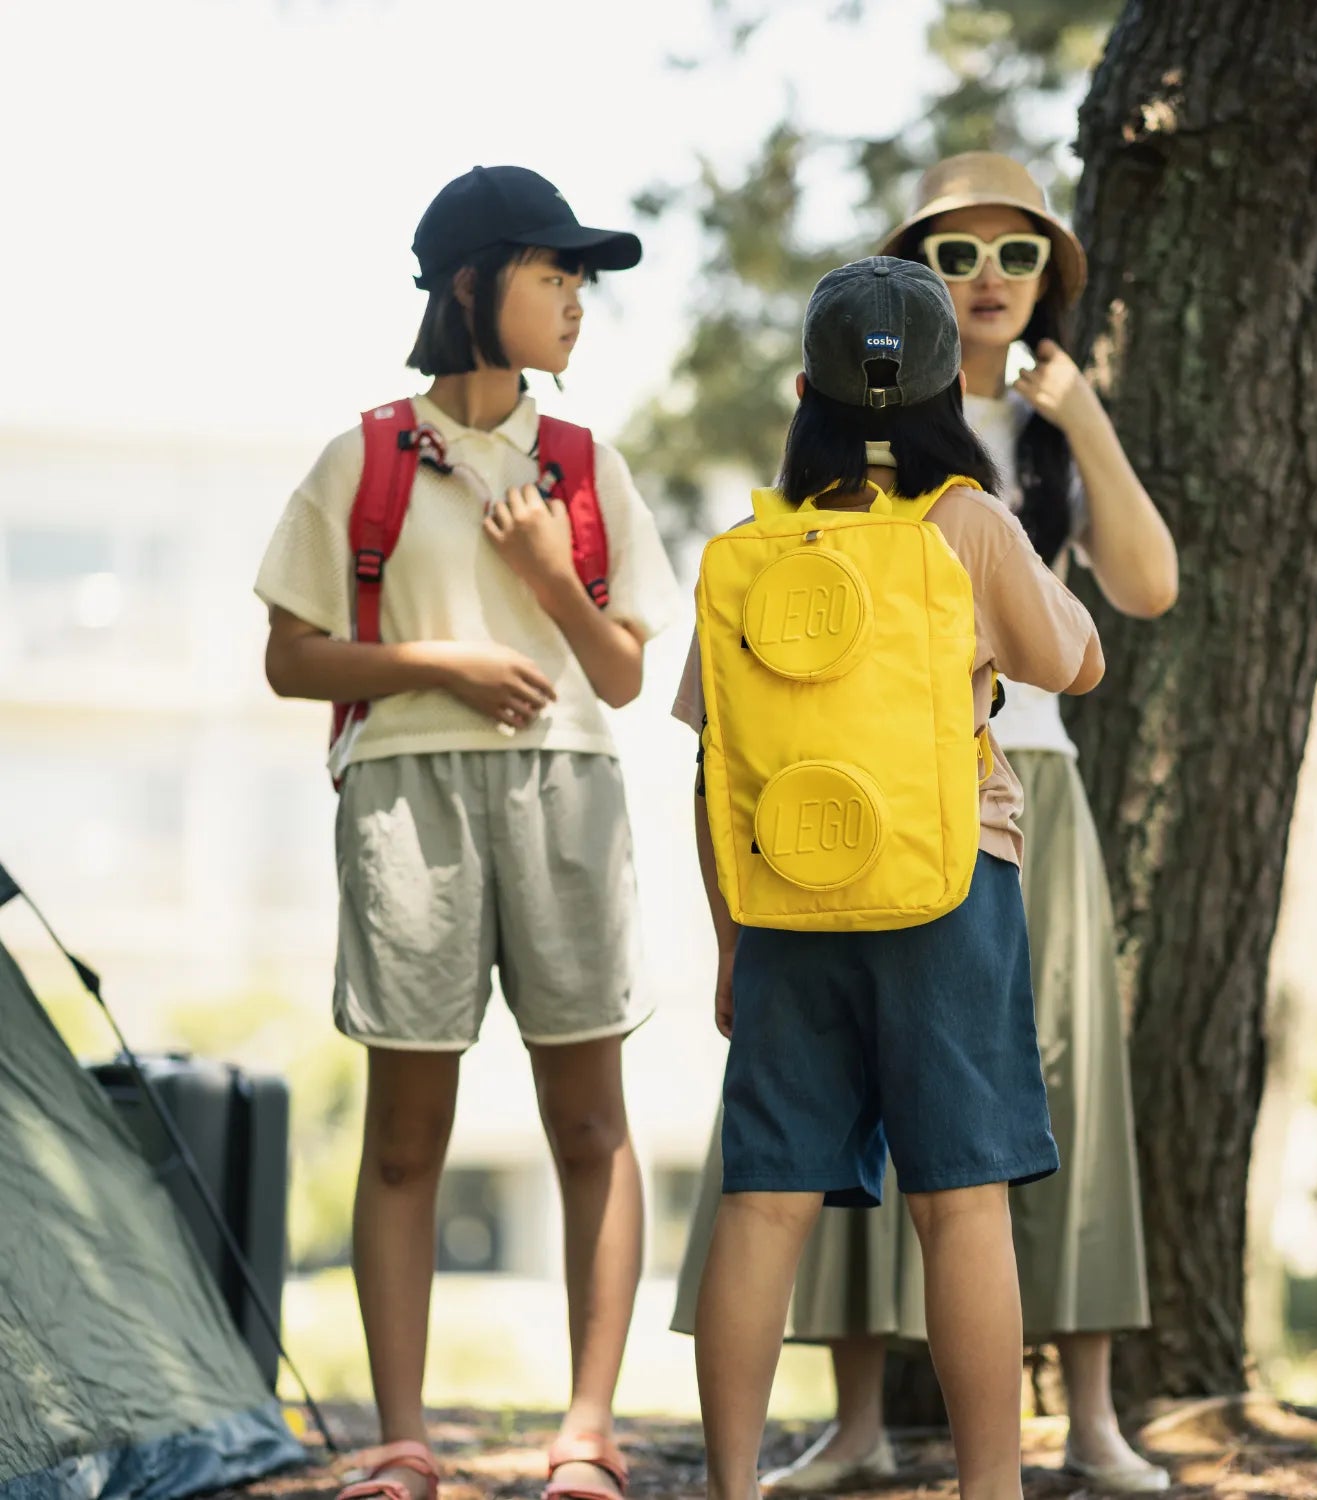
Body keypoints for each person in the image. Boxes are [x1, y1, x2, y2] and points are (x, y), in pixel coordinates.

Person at [672, 153, 1178, 1494]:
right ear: (954, 389)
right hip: (951, 890)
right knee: (963, 1207)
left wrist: (729, 940)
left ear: (805, 396)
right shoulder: (969, 522)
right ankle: (991, 1490)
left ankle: (727, 1487)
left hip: (788, 905)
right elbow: (1079, 659)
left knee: (764, 1203)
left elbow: (713, 766)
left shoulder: (755, 552)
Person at [254, 166, 678, 1500]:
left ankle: (587, 1437)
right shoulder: (363, 459)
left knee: (591, 1125)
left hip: (566, 790)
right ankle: (401, 1443)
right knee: (403, 1135)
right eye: (555, 276)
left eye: (581, 282)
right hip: (407, 797)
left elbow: (622, 676)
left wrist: (552, 576)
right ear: (469, 285)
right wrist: (441, 661)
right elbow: (290, 660)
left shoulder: (587, 466)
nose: (577, 303)